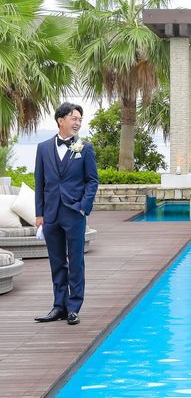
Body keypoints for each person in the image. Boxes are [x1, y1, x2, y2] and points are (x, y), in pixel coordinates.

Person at [34, 103, 99, 325]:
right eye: (74, 118)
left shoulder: (85, 148)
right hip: (51, 214)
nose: (77, 123)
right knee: (57, 261)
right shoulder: (43, 148)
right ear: (61, 120)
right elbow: (40, 182)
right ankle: (58, 306)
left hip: (74, 213)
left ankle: (73, 307)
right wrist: (39, 213)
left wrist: (83, 206)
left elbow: (92, 180)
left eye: (80, 119)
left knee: (76, 261)